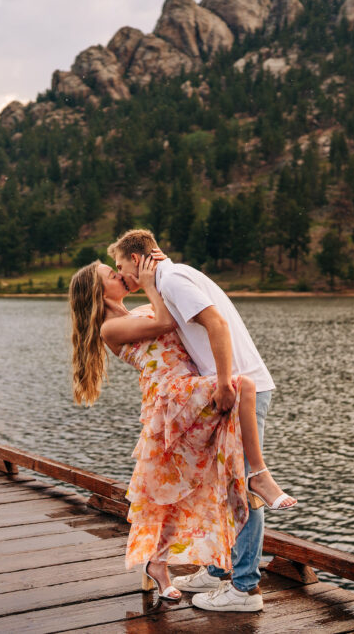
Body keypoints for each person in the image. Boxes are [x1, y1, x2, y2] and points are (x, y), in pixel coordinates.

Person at [69, 255, 294, 602]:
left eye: (118, 268)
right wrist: (149, 282)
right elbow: (165, 321)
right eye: (112, 275)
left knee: (189, 487)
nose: (119, 275)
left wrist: (160, 266)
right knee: (244, 388)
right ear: (99, 292)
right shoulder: (109, 329)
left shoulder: (141, 307)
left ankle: (187, 564)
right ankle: (258, 476)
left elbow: (176, 310)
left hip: (188, 394)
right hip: (170, 398)